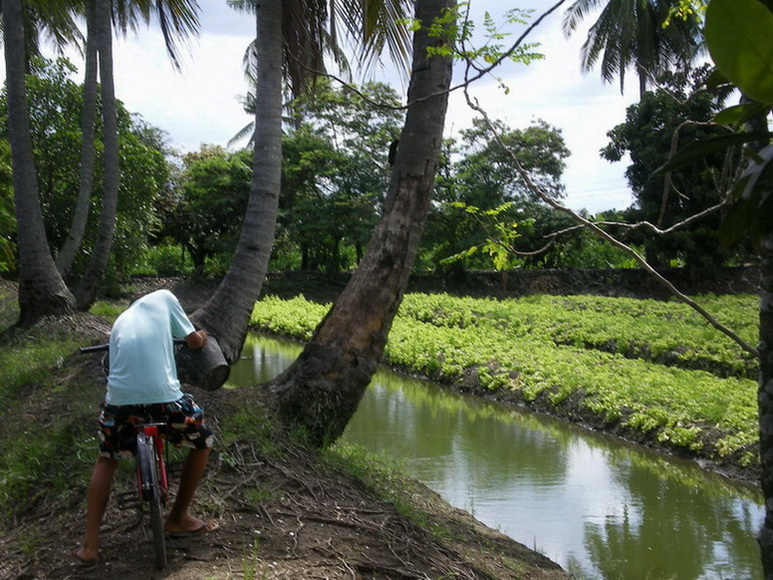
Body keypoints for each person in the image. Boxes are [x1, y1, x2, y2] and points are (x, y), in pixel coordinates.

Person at [76, 289, 217, 565]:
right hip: (166, 400)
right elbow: (194, 341)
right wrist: (199, 337)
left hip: (120, 405)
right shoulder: (165, 297)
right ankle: (178, 518)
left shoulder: (121, 321)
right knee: (203, 442)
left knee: (107, 458)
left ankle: (91, 546)